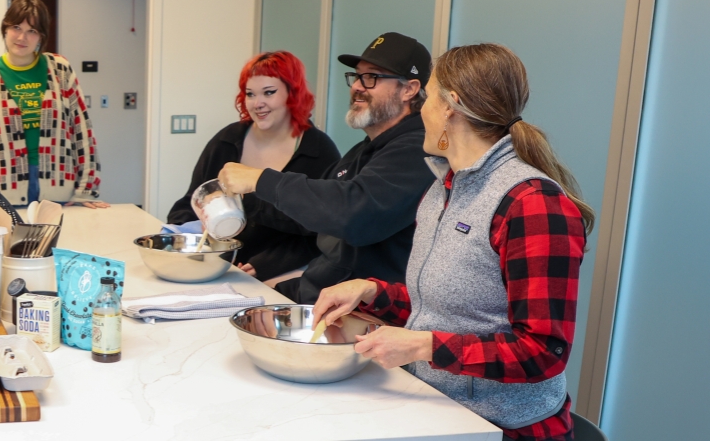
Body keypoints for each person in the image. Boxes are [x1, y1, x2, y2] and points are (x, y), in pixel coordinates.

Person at [312, 43, 594, 441]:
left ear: (450, 107)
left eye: (426, 96)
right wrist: (372, 291)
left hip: (501, 427)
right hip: (436, 407)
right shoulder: (444, 187)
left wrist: (423, 346)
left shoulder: (532, 205)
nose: (421, 109)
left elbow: (543, 351)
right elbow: (452, 309)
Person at [216, 32, 436, 304]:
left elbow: (354, 213)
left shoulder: (418, 151)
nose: (357, 86)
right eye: (356, 77)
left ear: (409, 89)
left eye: (372, 77)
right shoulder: (363, 151)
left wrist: (261, 180)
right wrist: (238, 202)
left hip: (362, 313)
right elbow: (312, 213)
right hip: (318, 291)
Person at [166, 51, 341, 282]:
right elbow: (192, 201)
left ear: (292, 93)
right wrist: (181, 235)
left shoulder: (319, 152)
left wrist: (266, 264)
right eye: (250, 94)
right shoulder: (227, 141)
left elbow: (322, 232)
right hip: (215, 265)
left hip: (279, 274)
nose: (258, 104)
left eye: (269, 93)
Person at [0, 0, 108, 208]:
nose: (22, 37)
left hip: (59, 184)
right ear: (5, 29)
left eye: (32, 31)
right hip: (9, 188)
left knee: (61, 239)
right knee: (15, 242)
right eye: (16, 27)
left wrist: (86, 190)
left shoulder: (60, 68)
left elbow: (81, 128)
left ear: (41, 36)